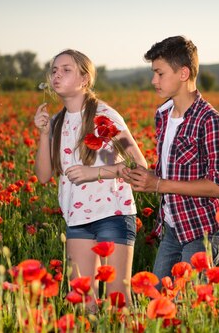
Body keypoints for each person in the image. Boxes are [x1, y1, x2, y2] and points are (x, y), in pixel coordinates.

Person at [34, 49, 147, 309]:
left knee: (118, 300)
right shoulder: (57, 122)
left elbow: (138, 165)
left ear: (85, 79)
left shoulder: (104, 116)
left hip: (113, 214)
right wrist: (43, 134)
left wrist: (93, 173)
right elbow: (43, 176)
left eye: (66, 70)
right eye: (54, 70)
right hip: (77, 219)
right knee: (83, 303)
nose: (57, 75)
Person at [124, 36, 219, 282]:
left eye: (160, 74)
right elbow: (171, 171)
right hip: (172, 226)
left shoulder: (210, 120)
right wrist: (147, 177)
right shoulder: (162, 114)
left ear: (183, 73)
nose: (154, 81)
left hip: (203, 228)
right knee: (158, 301)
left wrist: (159, 185)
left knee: (186, 305)